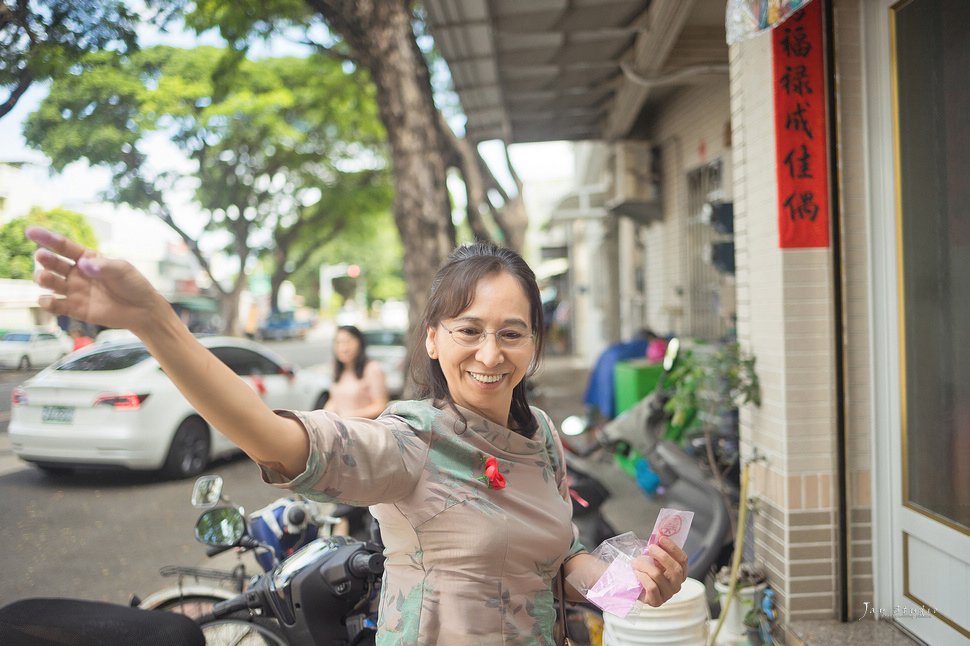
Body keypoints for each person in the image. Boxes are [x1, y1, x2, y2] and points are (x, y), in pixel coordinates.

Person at [26, 226, 688, 645]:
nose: (490, 352)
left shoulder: (539, 433)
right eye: (469, 329)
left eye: (511, 332)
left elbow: (560, 564)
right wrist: (155, 323)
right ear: (432, 339)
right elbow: (273, 438)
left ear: (534, 344)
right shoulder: (409, 443)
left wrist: (632, 586)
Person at [324, 325, 390, 419]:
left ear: (360, 343)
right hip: (339, 427)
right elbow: (333, 400)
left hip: (362, 428)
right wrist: (324, 415)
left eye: (347, 342)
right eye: (338, 343)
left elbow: (380, 406)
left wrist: (348, 416)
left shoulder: (372, 368)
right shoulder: (337, 369)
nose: (343, 348)